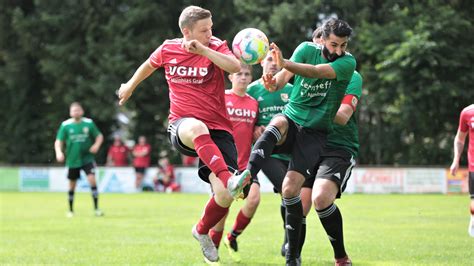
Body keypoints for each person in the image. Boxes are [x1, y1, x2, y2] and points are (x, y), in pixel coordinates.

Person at [116, 5, 250, 264]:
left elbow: (234, 66)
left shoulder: (215, 45)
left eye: (211, 27)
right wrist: (130, 86)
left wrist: (205, 50)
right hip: (183, 126)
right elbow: (148, 64)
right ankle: (229, 178)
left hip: (219, 130)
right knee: (198, 128)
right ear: (187, 31)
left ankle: (201, 231)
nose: (210, 33)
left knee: (224, 196)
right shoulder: (168, 48)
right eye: (204, 30)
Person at [246, 18, 356, 266]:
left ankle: (293, 257)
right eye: (333, 44)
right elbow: (280, 81)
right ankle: (246, 175)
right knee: (278, 122)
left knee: (289, 190)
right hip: (292, 120)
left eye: (343, 45)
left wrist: (284, 63)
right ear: (322, 40)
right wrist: (272, 81)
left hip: (316, 134)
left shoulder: (348, 63)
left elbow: (316, 72)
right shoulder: (305, 50)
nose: (338, 50)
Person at [207, 63, 258, 262]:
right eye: (239, 74)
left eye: (247, 74)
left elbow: (256, 129)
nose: (243, 77)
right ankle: (213, 249)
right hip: (225, 163)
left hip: (246, 164)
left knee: (253, 199)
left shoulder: (254, 103)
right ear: (230, 77)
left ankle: (233, 236)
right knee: (223, 209)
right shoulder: (222, 98)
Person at [247, 52, 294, 256]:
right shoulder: (252, 90)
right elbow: (245, 122)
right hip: (267, 153)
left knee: (290, 196)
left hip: (291, 151)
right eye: (269, 60)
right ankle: (290, 244)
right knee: (288, 190)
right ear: (261, 63)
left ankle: (288, 242)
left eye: (277, 61)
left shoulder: (292, 90)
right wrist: (255, 129)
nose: (273, 64)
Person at [54, 102, 104, 218]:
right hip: (72, 160)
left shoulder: (89, 123)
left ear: (82, 111)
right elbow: (58, 141)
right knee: (72, 184)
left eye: (78, 110)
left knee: (92, 180)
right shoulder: (65, 125)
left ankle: (96, 209)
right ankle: (71, 210)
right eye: (74, 110)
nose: (76, 112)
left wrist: (96, 145)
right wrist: (59, 152)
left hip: (87, 158)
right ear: (70, 112)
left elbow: (99, 136)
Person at [450, 104, 474, 237]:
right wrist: (456, 160)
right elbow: (460, 139)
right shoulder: (467, 112)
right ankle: (473, 218)